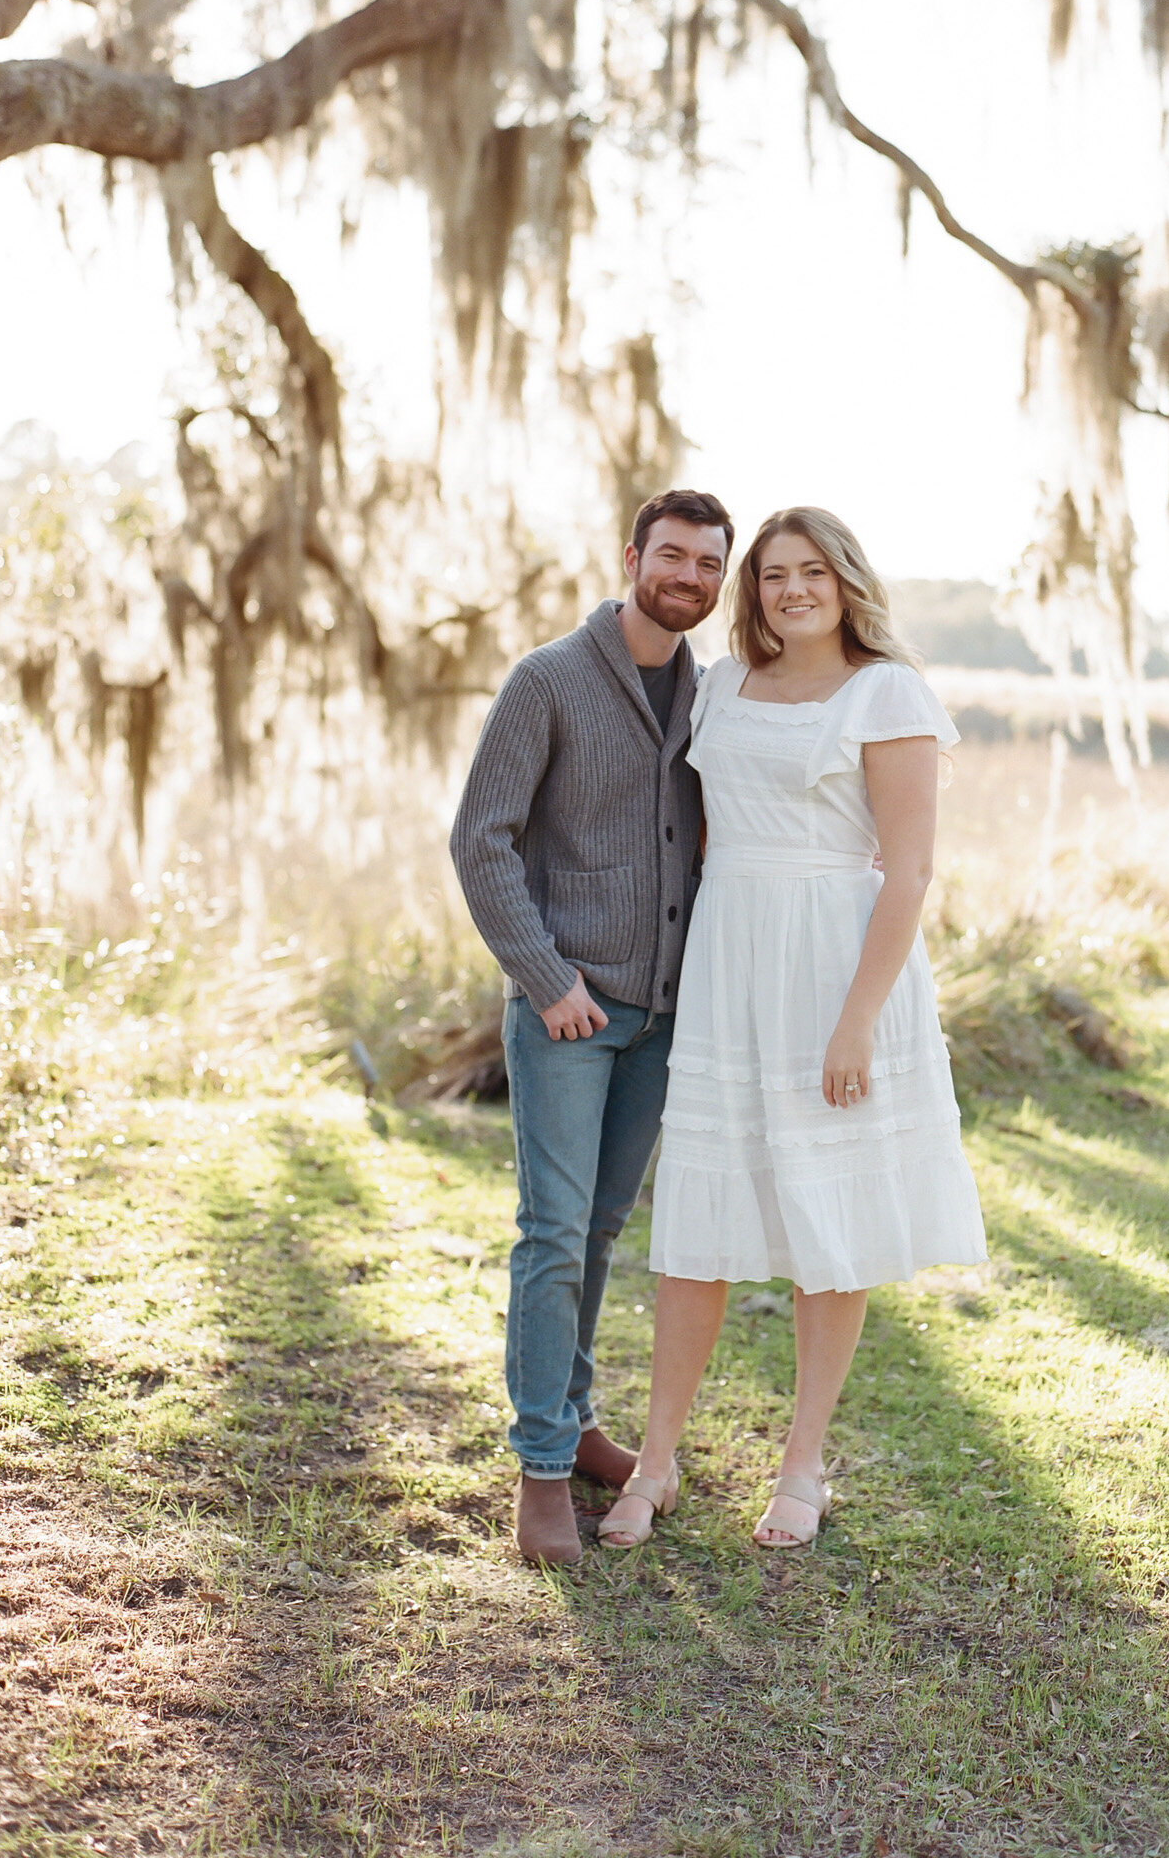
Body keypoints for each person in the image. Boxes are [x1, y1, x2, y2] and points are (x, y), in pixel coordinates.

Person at [598, 506, 986, 1552]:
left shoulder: (887, 690)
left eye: (812, 571)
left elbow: (906, 870)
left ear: (846, 579)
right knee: (695, 1220)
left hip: (836, 972)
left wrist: (856, 1020)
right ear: (755, 591)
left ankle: (803, 1461)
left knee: (830, 1222)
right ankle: (658, 1459)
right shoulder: (721, 686)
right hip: (732, 967)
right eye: (773, 575)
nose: (793, 590)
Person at [450, 489, 734, 1566]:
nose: (690, 577)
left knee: (602, 1231)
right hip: (571, 1011)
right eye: (673, 556)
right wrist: (544, 973)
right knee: (552, 1233)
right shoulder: (549, 680)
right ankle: (537, 1469)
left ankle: (571, 1424)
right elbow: (482, 840)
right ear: (632, 557)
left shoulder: (707, 695)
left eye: (709, 564)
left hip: (661, 1017)